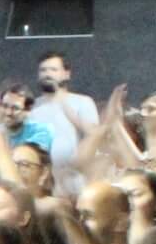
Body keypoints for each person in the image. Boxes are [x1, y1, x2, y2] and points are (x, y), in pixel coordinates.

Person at [28, 51, 101, 186]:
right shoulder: (32, 107)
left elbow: (95, 135)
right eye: (43, 70)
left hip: (75, 178)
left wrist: (70, 113)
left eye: (53, 70)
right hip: (41, 180)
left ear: (66, 74)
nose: (47, 74)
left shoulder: (82, 102)